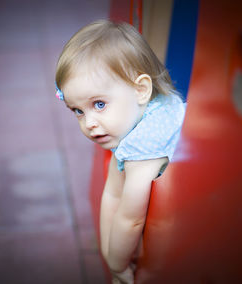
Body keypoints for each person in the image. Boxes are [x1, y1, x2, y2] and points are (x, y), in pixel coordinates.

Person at [55, 20, 186, 284]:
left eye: (99, 104)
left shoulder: (145, 144)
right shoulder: (146, 110)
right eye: (78, 111)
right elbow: (112, 192)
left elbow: (131, 218)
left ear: (141, 90)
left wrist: (117, 264)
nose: (89, 123)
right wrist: (108, 251)